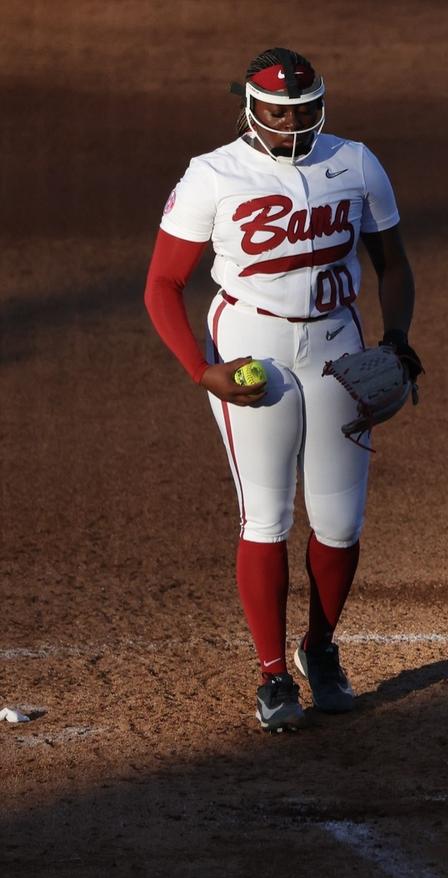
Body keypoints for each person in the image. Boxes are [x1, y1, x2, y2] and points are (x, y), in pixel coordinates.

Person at [143, 48, 422, 733]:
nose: (290, 122)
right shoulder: (213, 175)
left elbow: (393, 264)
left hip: (335, 345)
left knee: (340, 522)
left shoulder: (355, 163)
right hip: (251, 352)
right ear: (248, 108)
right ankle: (273, 676)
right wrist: (198, 368)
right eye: (276, 111)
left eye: (301, 110)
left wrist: (397, 338)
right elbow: (162, 284)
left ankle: (318, 650)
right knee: (265, 516)